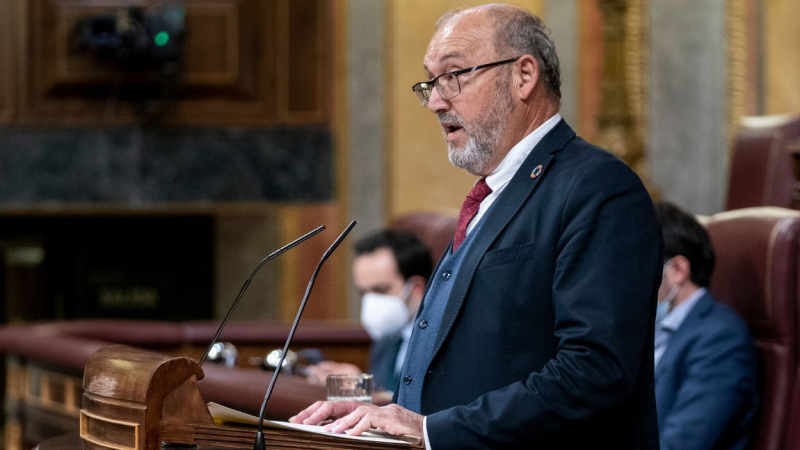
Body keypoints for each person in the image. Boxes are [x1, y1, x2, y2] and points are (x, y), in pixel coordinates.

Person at [291, 4, 663, 448]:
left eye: (454, 75)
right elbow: (477, 366)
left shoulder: (598, 188)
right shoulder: (492, 195)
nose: (435, 101)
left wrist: (431, 431)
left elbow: (594, 372)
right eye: (430, 81)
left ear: (523, 76)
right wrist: (384, 408)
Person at [653, 201, 758, 450]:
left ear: (677, 270)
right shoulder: (648, 329)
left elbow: (681, 444)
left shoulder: (721, 339)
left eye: (639, 267)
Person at [304, 229, 432, 394]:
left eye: (380, 290)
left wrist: (362, 387)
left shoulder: (440, 341)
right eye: (363, 292)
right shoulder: (385, 339)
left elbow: (426, 411)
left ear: (416, 288)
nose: (371, 302)